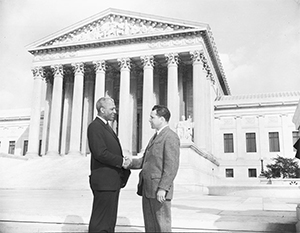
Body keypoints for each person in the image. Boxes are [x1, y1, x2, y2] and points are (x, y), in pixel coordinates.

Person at [127, 105, 180, 232]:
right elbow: (144, 161)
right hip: (148, 189)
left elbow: (171, 166)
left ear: (161, 119)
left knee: (162, 225)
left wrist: (163, 188)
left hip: (159, 191)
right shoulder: (155, 137)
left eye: (152, 117)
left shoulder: (170, 137)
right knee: (150, 225)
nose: (149, 120)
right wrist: (128, 163)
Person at [87, 97, 131, 232]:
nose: (115, 111)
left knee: (108, 222)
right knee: (101, 223)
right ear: (102, 110)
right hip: (104, 182)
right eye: (112, 109)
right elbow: (100, 153)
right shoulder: (95, 126)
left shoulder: (105, 126)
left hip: (110, 182)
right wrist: (121, 161)